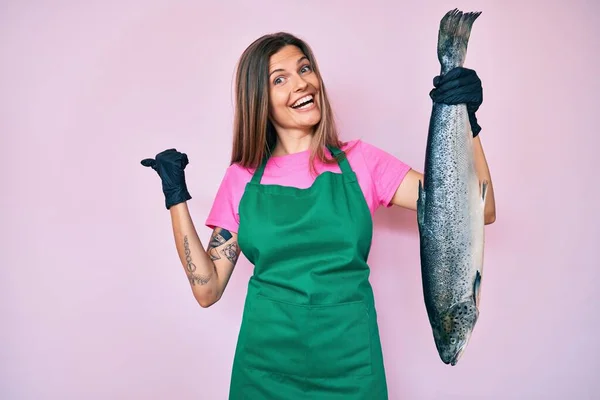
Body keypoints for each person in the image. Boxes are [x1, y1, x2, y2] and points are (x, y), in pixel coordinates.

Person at [141, 32, 496, 399]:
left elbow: (478, 210)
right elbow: (207, 288)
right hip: (264, 372)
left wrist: (466, 117)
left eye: (305, 68)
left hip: (352, 368)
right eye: (280, 78)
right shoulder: (243, 178)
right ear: (259, 100)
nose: (301, 83)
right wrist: (175, 196)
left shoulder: (362, 162)